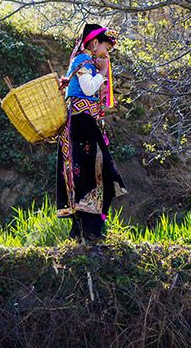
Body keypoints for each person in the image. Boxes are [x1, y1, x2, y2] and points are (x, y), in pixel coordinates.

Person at [56, 23, 127, 243]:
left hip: (85, 124)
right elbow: (87, 89)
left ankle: (89, 228)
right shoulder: (82, 61)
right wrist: (103, 73)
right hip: (80, 126)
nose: (107, 53)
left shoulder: (85, 63)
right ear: (94, 44)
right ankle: (87, 229)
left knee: (94, 173)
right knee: (89, 174)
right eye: (106, 47)